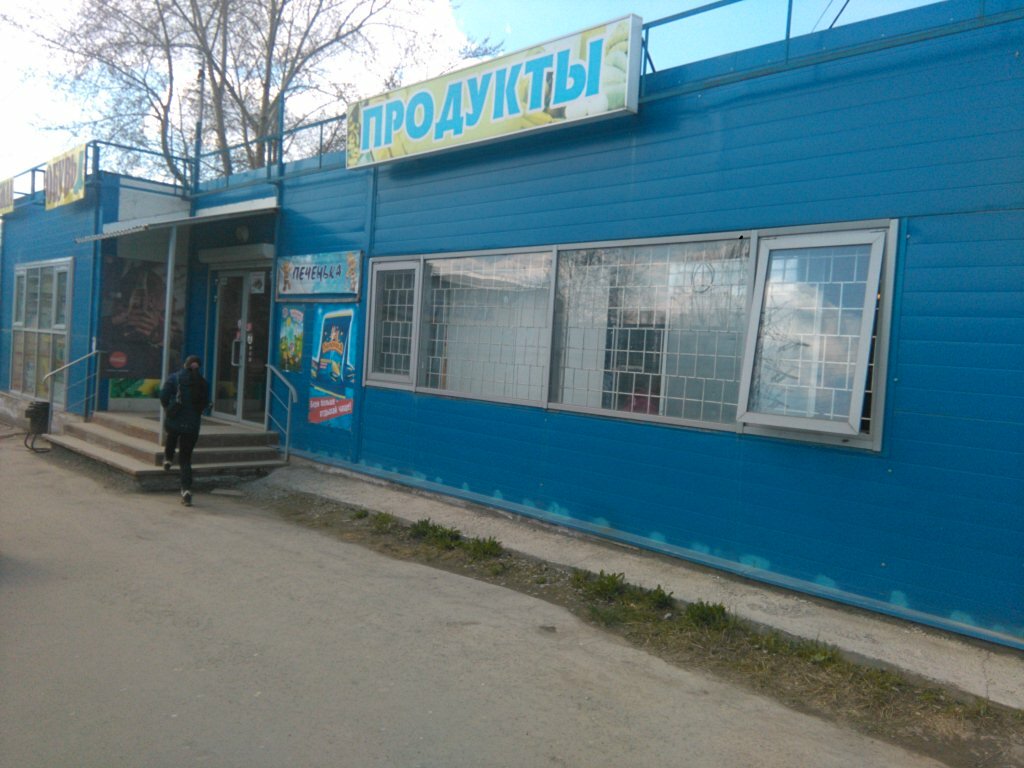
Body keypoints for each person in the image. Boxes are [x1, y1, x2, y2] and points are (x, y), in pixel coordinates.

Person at [159, 355, 209, 506]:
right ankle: (186, 490)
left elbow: (163, 396)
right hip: (192, 426)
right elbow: (205, 403)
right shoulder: (203, 382)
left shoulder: (175, 378)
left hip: (175, 420)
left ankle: (168, 459)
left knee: (172, 435)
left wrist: (168, 408)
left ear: (184, 364)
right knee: (185, 459)